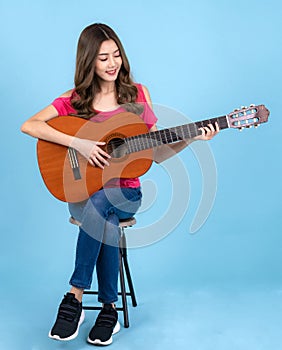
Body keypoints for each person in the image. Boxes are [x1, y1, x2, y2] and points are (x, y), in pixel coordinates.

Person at [21, 23, 219, 346]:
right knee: (104, 216)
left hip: (126, 191)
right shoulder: (74, 101)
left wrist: (193, 137)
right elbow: (30, 125)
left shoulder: (137, 96)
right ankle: (109, 310)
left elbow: (157, 154)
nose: (113, 63)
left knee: (104, 204)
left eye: (116, 55)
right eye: (103, 58)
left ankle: (74, 296)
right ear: (89, 62)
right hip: (81, 191)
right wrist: (80, 144)